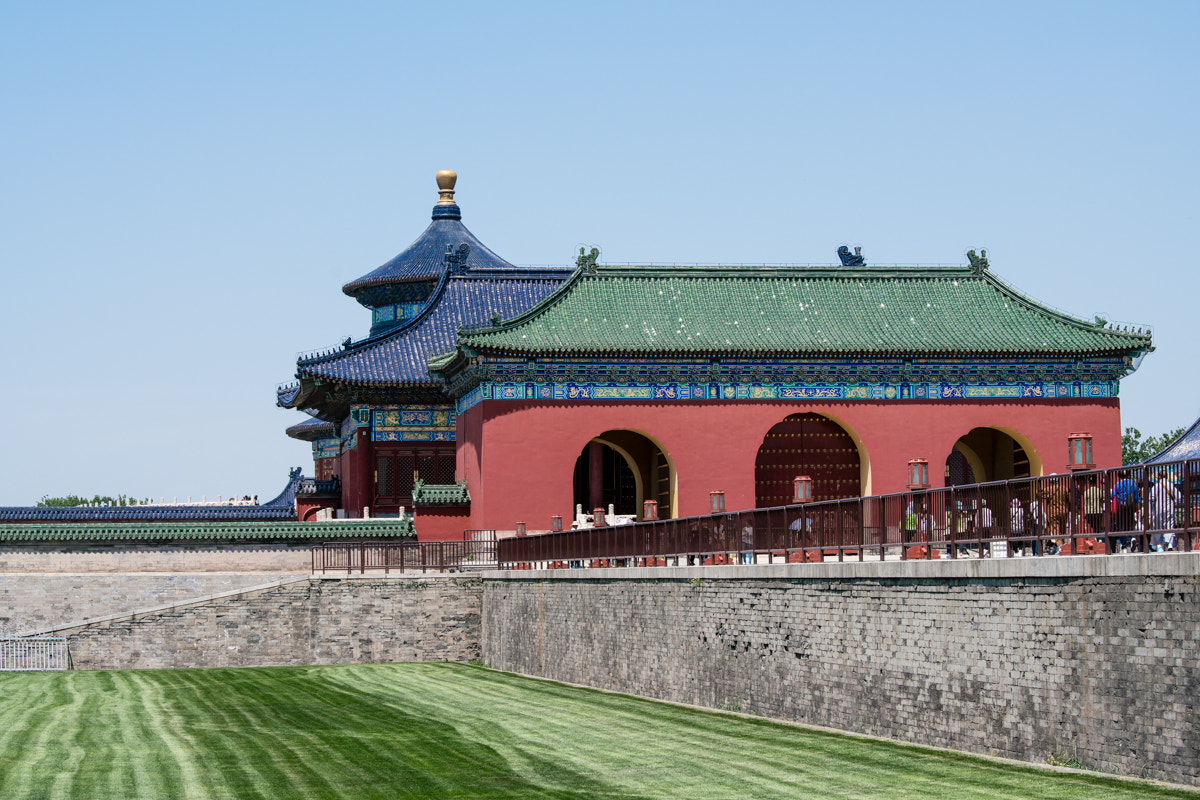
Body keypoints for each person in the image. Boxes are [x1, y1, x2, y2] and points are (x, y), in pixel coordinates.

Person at [1148, 473, 1182, 552]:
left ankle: (1156, 545)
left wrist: (1151, 511)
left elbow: (1151, 499)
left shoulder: (1156, 486)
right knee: (1169, 526)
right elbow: (1179, 496)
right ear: (1167, 476)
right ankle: (1170, 545)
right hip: (1169, 509)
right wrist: (1174, 503)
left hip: (1158, 510)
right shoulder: (1171, 485)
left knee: (1157, 527)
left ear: (1159, 477)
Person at [1110, 476, 1141, 552]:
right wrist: (1138, 508)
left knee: (1121, 527)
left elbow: (1112, 495)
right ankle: (1132, 537)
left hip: (1121, 507)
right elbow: (1137, 497)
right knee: (1130, 524)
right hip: (1131, 506)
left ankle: (1124, 546)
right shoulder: (1133, 484)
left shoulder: (1118, 484)